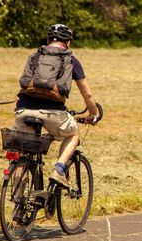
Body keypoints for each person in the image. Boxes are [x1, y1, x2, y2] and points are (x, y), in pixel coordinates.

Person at [14, 24, 99, 188]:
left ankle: (19, 200)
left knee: (22, 155)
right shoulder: (71, 60)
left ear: (48, 40)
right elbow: (87, 94)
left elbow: (26, 83)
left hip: (23, 110)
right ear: (68, 42)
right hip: (53, 113)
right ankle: (59, 170)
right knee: (73, 134)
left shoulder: (35, 56)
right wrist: (93, 113)